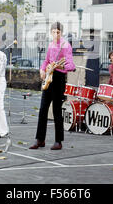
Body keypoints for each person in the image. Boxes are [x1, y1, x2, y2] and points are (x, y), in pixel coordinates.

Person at [30, 22, 75, 151]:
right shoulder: (50, 45)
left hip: (59, 79)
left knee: (56, 111)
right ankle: (40, 139)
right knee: (43, 109)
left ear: (61, 32)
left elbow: (71, 66)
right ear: (51, 32)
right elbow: (46, 61)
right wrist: (42, 70)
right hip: (49, 78)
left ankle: (58, 141)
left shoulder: (65, 46)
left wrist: (61, 66)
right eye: (54, 31)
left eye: (58, 32)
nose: (56, 34)